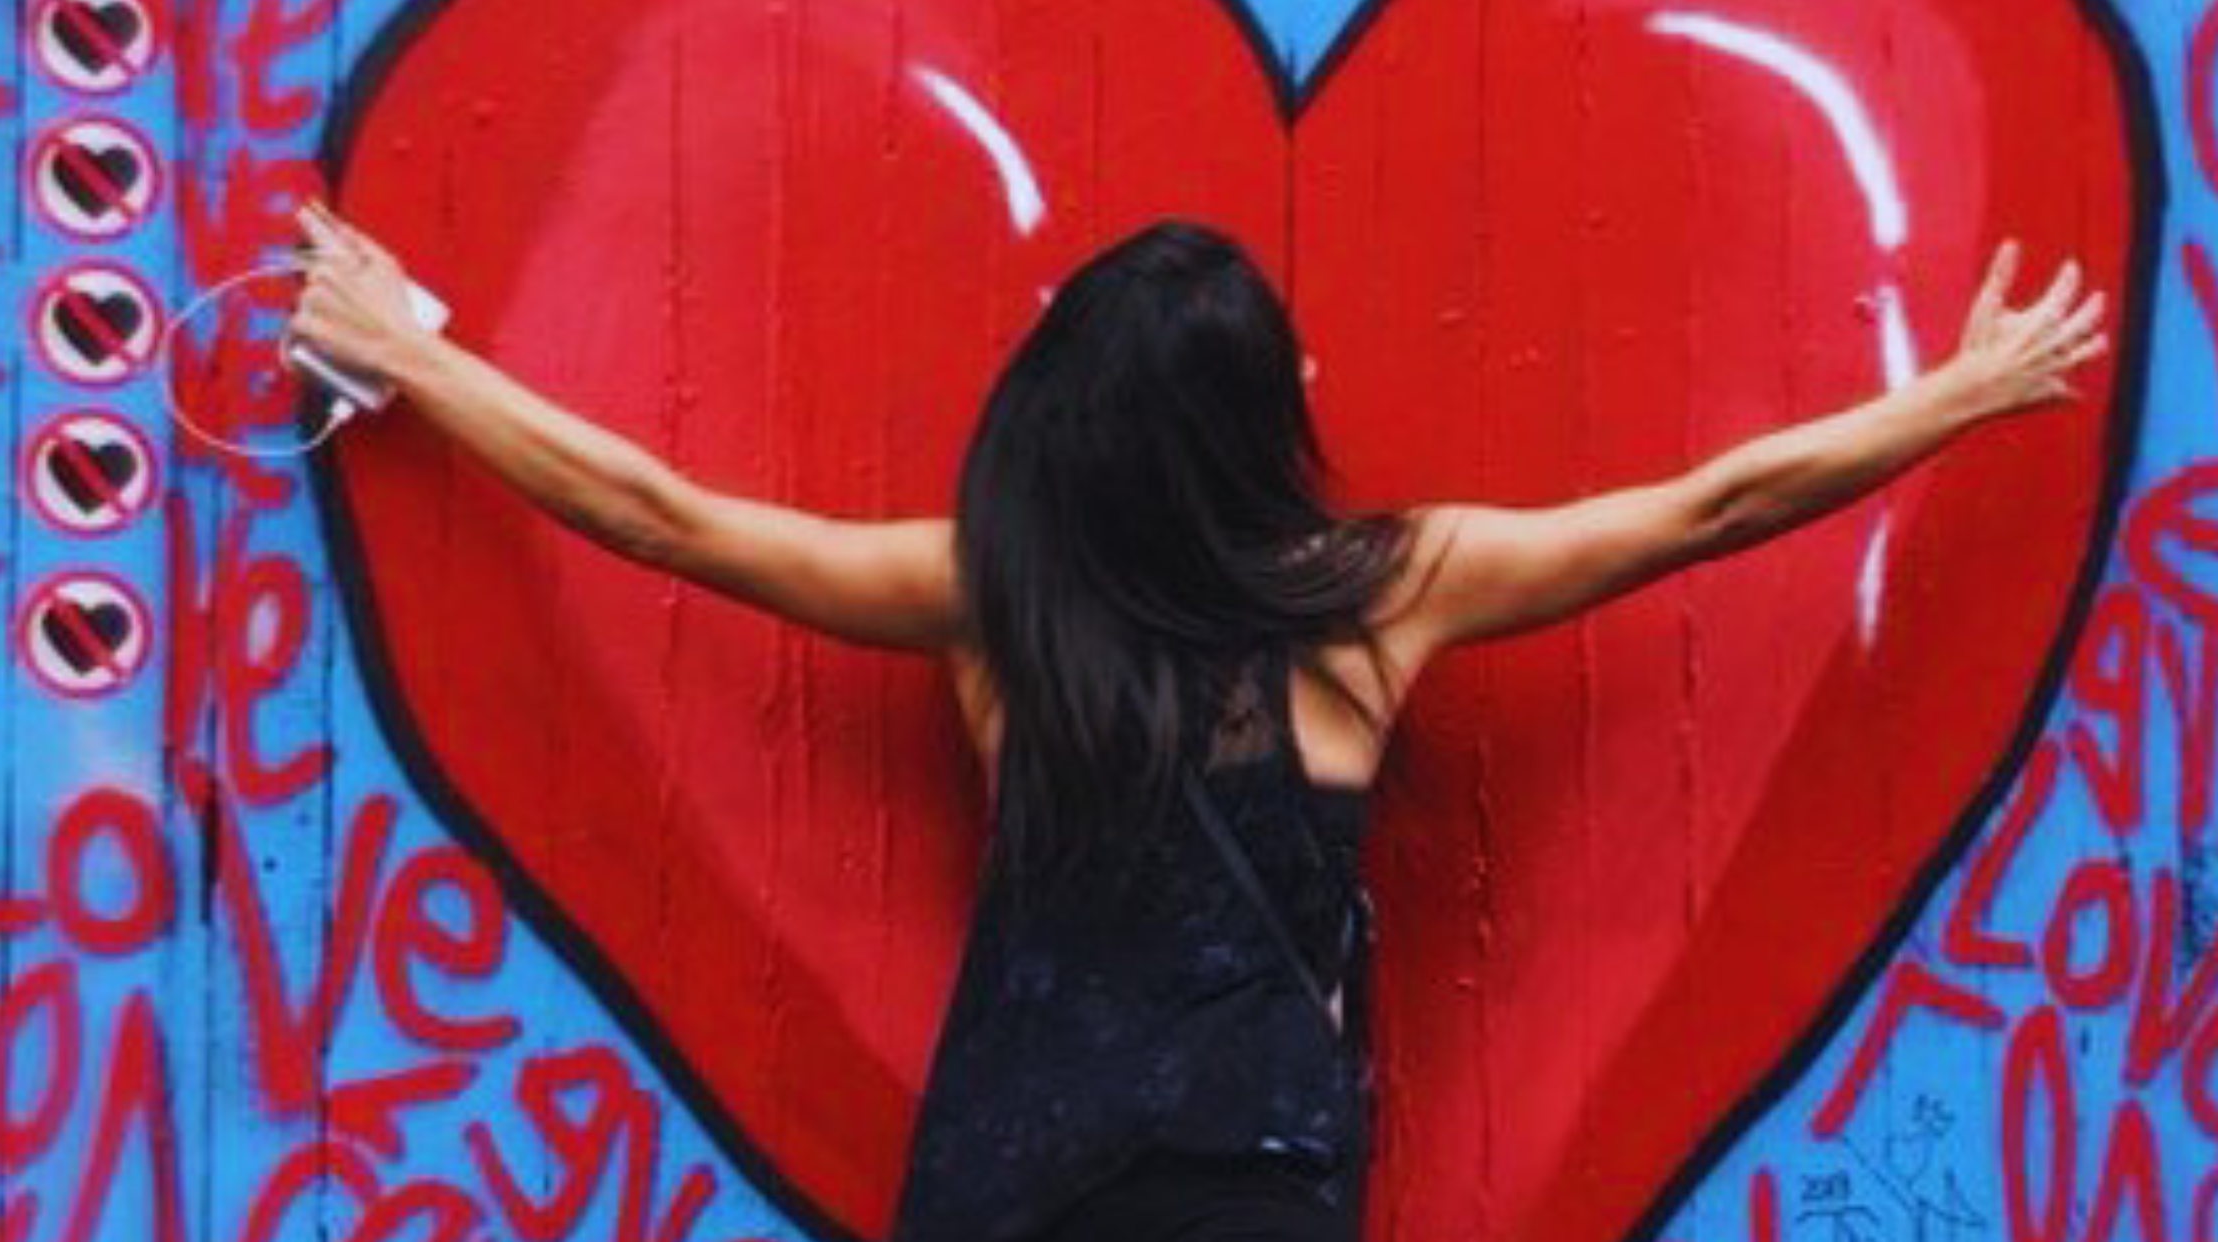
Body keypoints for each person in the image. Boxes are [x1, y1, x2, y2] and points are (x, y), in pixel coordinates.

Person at [282, 204, 2110, 1242]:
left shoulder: (994, 593)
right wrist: (1954, 397)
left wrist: (419, 353)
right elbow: (1713, 505)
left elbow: (663, 516)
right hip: (1250, 1198)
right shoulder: (1389, 589)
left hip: (1012, 1186)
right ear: (1254, 418)